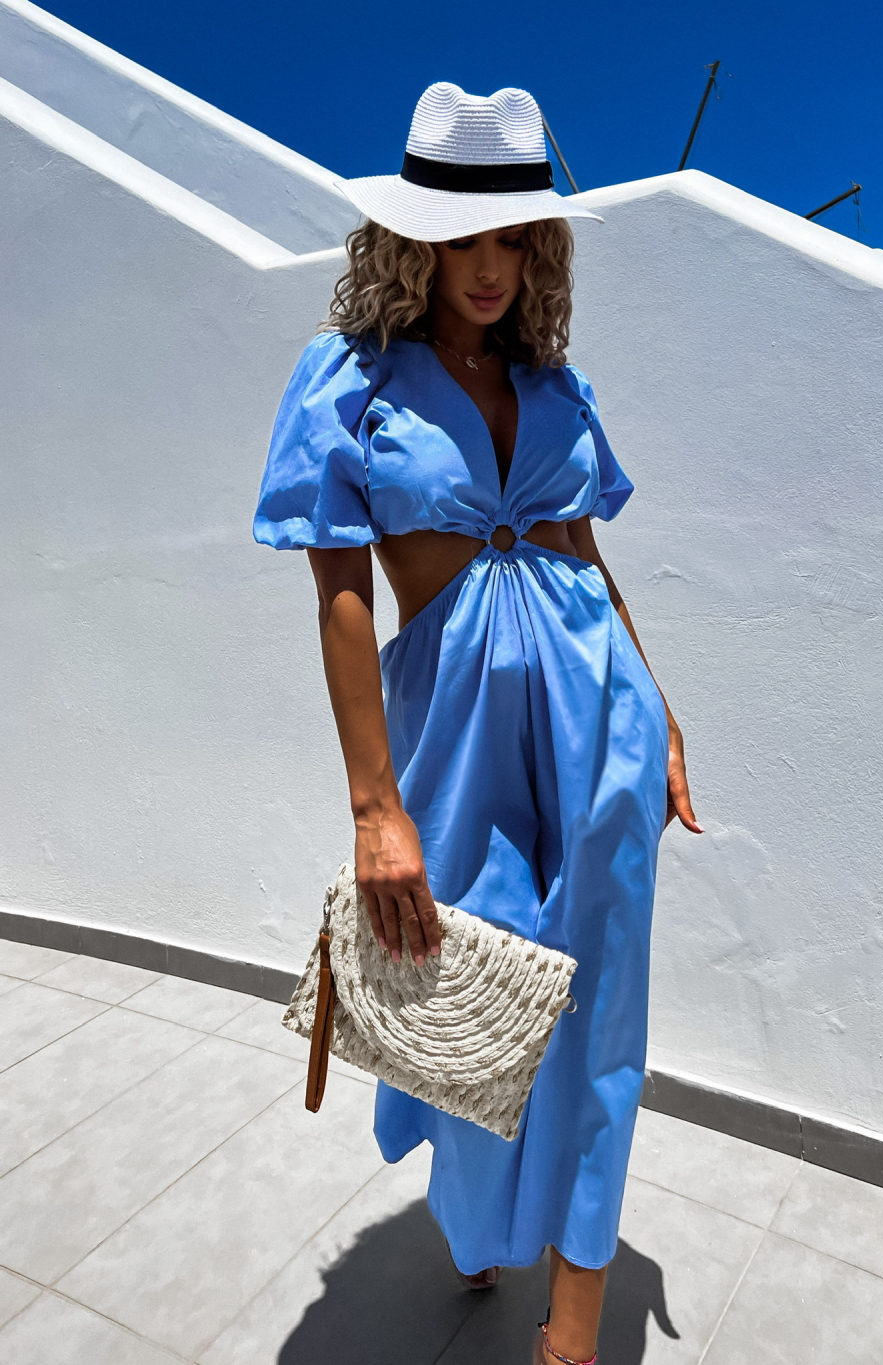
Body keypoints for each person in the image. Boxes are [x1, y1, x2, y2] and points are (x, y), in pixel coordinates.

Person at [254, 81, 702, 1365]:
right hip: (451, 737)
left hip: (599, 724)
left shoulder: (555, 388)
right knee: (463, 991)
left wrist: (661, 710)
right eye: (463, 239)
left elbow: (581, 555)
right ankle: (477, 1213)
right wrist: (373, 807)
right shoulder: (348, 382)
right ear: (412, 242)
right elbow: (341, 594)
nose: (490, 266)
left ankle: (572, 1333)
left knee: (600, 1018)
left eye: (512, 238)